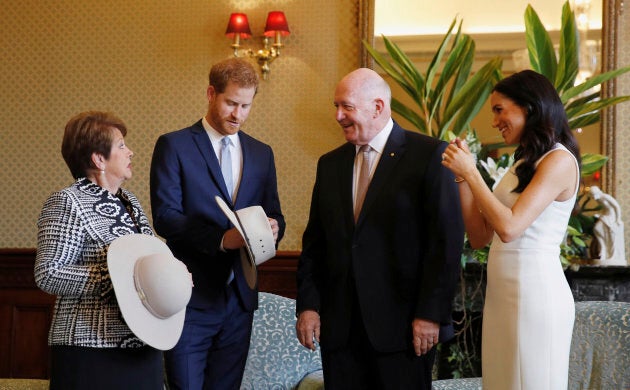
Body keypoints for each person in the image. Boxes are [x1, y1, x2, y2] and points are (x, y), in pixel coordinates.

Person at [295, 68, 464, 390]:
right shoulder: (330, 164)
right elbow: (315, 243)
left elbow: (445, 244)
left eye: (346, 106)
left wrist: (430, 314)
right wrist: (308, 306)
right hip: (341, 332)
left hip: (404, 330)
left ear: (377, 107)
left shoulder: (429, 155)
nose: (338, 115)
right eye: (336, 106)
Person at [150, 57, 285, 390]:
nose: (238, 114)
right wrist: (223, 239)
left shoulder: (261, 153)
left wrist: (273, 229)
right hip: (190, 296)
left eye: (246, 106)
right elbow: (165, 218)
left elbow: (275, 213)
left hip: (240, 300)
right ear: (211, 93)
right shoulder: (174, 145)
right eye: (231, 103)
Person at [441, 69, 580, 390]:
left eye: (499, 109)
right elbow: (479, 236)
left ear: (529, 108)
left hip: (536, 296)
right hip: (503, 296)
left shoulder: (558, 161)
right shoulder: (521, 164)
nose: (494, 121)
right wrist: (461, 176)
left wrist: (473, 173)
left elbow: (509, 228)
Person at [34, 111, 164, 389]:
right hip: (90, 347)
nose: (130, 152)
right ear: (98, 159)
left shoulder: (130, 201)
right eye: (121, 145)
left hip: (144, 343)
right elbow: (48, 274)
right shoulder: (67, 201)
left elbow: (147, 261)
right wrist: (118, 277)